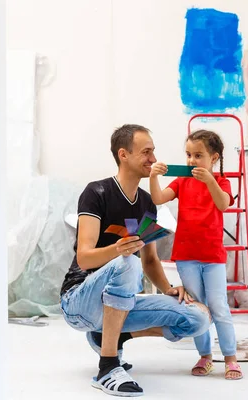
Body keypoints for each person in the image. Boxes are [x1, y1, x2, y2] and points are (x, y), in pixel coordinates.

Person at [60, 124, 212, 397]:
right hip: (79, 301)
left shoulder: (146, 202)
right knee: (128, 262)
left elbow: (151, 260)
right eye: (146, 152)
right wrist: (119, 250)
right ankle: (107, 366)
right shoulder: (97, 193)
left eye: (153, 152)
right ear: (124, 155)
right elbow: (84, 257)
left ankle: (111, 336)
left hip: (117, 302)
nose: (153, 159)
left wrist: (169, 290)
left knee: (197, 317)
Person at [149, 129, 243, 380]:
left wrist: (210, 180)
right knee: (198, 308)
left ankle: (231, 358)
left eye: (198, 155)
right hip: (187, 256)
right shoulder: (182, 181)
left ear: (213, 158)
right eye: (188, 155)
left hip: (212, 257)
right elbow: (158, 198)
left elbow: (223, 204)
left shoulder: (221, 182)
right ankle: (205, 355)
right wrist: (153, 177)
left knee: (219, 306)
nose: (191, 161)